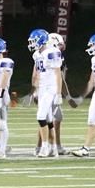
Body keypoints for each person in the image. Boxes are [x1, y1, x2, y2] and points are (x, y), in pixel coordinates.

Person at [28, 28, 63, 157]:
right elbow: (37, 73)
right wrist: (35, 90)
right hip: (42, 88)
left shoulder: (52, 52)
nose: (31, 43)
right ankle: (53, 148)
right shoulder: (37, 54)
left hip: (51, 88)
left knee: (40, 116)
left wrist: (58, 93)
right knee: (48, 119)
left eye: (33, 41)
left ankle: (44, 147)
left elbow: (58, 74)